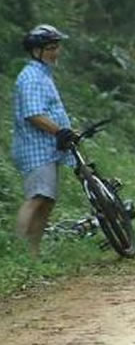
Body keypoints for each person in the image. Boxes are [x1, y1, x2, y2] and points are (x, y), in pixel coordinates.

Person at [12, 24, 77, 256]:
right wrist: (59, 130)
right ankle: (20, 251)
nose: (56, 51)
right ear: (36, 51)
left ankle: (33, 253)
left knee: (46, 200)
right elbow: (34, 114)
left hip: (47, 148)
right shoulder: (30, 77)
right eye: (51, 47)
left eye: (57, 46)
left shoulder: (43, 75)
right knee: (37, 198)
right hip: (35, 148)